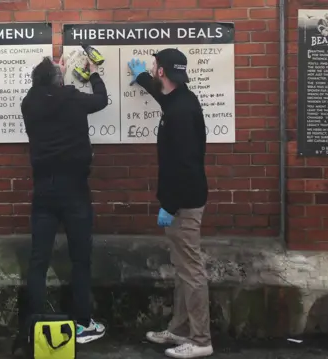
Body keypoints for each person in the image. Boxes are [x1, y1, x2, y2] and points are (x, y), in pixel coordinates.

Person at [128, 49, 212, 358]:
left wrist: (171, 205)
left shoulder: (180, 111)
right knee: (182, 268)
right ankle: (180, 330)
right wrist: (140, 78)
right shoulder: (180, 99)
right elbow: (161, 94)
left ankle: (201, 341)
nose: (152, 70)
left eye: (153, 67)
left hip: (184, 203)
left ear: (162, 71)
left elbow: (186, 165)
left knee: (191, 271)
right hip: (182, 200)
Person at [20, 55, 108, 344]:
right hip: (75, 190)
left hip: (44, 189)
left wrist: (55, 71)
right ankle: (82, 323)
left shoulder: (29, 104)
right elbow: (101, 99)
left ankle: (32, 326)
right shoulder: (72, 99)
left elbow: (43, 89)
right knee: (80, 259)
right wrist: (93, 74)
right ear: (60, 81)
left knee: (38, 260)